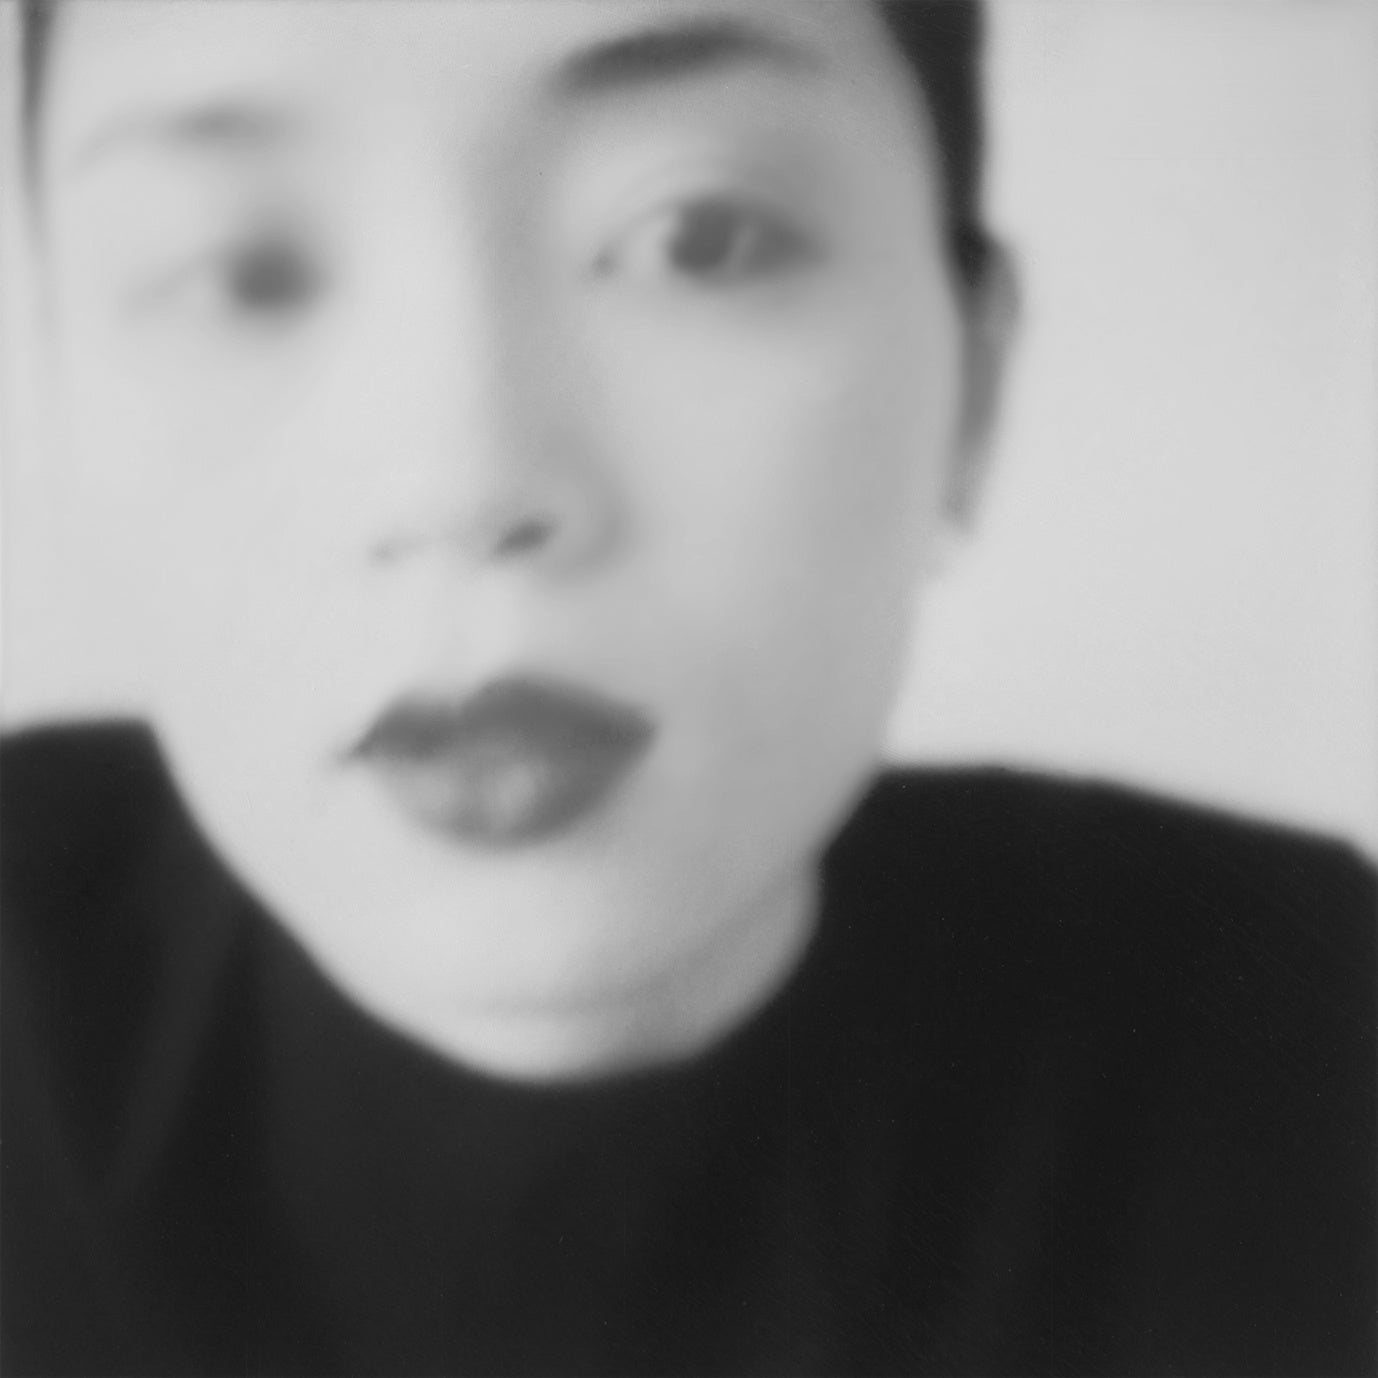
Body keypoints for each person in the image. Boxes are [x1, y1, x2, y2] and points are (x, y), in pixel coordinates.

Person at [2, 2, 1373, 1374]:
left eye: (699, 238)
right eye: (239, 274)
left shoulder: (1304, 1030)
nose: (465, 483)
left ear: (973, 385)